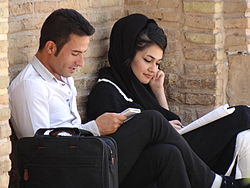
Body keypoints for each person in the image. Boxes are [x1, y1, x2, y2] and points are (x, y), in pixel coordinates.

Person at [8, 9, 246, 188]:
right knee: (151, 121)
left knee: (167, 155)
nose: (81, 63)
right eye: (75, 54)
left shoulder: (62, 78)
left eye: (83, 54)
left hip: (86, 158)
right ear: (51, 48)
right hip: (71, 175)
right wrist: (94, 128)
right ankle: (214, 182)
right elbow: (42, 152)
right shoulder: (30, 86)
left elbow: (66, 132)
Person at [86, 13, 250, 187]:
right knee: (241, 115)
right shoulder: (106, 92)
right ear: (127, 53)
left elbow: (172, 121)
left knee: (244, 134)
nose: (153, 69)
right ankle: (213, 182)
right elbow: (122, 146)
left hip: (177, 152)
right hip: (149, 162)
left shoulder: (138, 87)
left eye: (157, 63)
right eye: (148, 60)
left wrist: (159, 92)